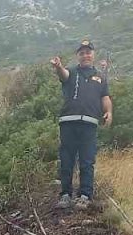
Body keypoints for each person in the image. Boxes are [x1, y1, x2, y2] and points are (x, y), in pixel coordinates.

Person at [51, 39, 112, 210]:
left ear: (93, 55)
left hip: (90, 124)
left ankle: (85, 196)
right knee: (66, 160)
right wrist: (58, 67)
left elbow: (105, 97)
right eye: (82, 53)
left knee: (87, 161)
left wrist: (109, 112)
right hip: (68, 123)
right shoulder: (71, 71)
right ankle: (65, 195)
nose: (85, 55)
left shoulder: (100, 77)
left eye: (88, 52)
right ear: (78, 56)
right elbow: (63, 75)